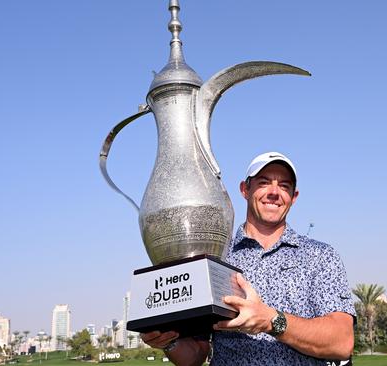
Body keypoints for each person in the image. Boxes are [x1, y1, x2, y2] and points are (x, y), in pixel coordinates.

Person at [141, 152, 356, 365]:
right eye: (263, 183)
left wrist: (271, 320)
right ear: (245, 189)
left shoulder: (320, 256)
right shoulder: (218, 258)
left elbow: (341, 342)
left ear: (294, 197)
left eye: (284, 186)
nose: (274, 192)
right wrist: (168, 342)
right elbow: (196, 355)